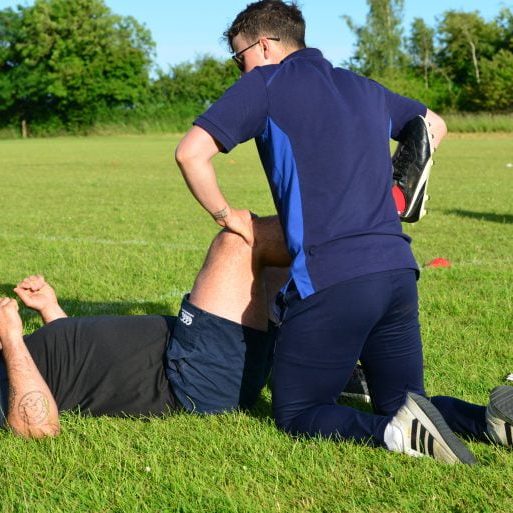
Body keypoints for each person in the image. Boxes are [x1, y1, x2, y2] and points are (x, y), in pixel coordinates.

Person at [174, 0, 513, 463]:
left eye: (240, 58)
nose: (240, 71)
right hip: (397, 272)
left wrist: (226, 216)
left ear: (266, 45)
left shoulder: (265, 85)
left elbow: (190, 153)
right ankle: (490, 423)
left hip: (332, 277)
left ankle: (395, 437)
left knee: (298, 411)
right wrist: (400, 193)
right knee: (406, 403)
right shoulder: (360, 85)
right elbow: (433, 124)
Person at [0, 216, 289, 438]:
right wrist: (12, 338)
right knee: (242, 239)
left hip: (193, 357)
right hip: (193, 375)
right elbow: (38, 428)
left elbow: (73, 369)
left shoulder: (17, 364)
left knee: (278, 256)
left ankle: (326, 359)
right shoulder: (12, 363)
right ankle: (331, 232)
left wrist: (50, 309)